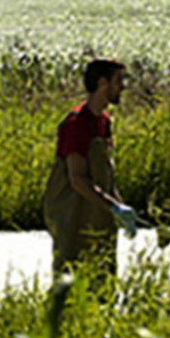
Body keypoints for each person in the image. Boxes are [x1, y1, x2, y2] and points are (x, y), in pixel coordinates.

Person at [43, 58, 138, 278]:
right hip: (72, 213)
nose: (123, 87)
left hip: (98, 211)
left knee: (103, 274)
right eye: (119, 81)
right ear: (102, 83)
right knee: (71, 276)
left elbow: (104, 173)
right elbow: (77, 180)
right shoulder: (75, 125)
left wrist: (121, 207)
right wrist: (114, 208)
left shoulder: (104, 122)